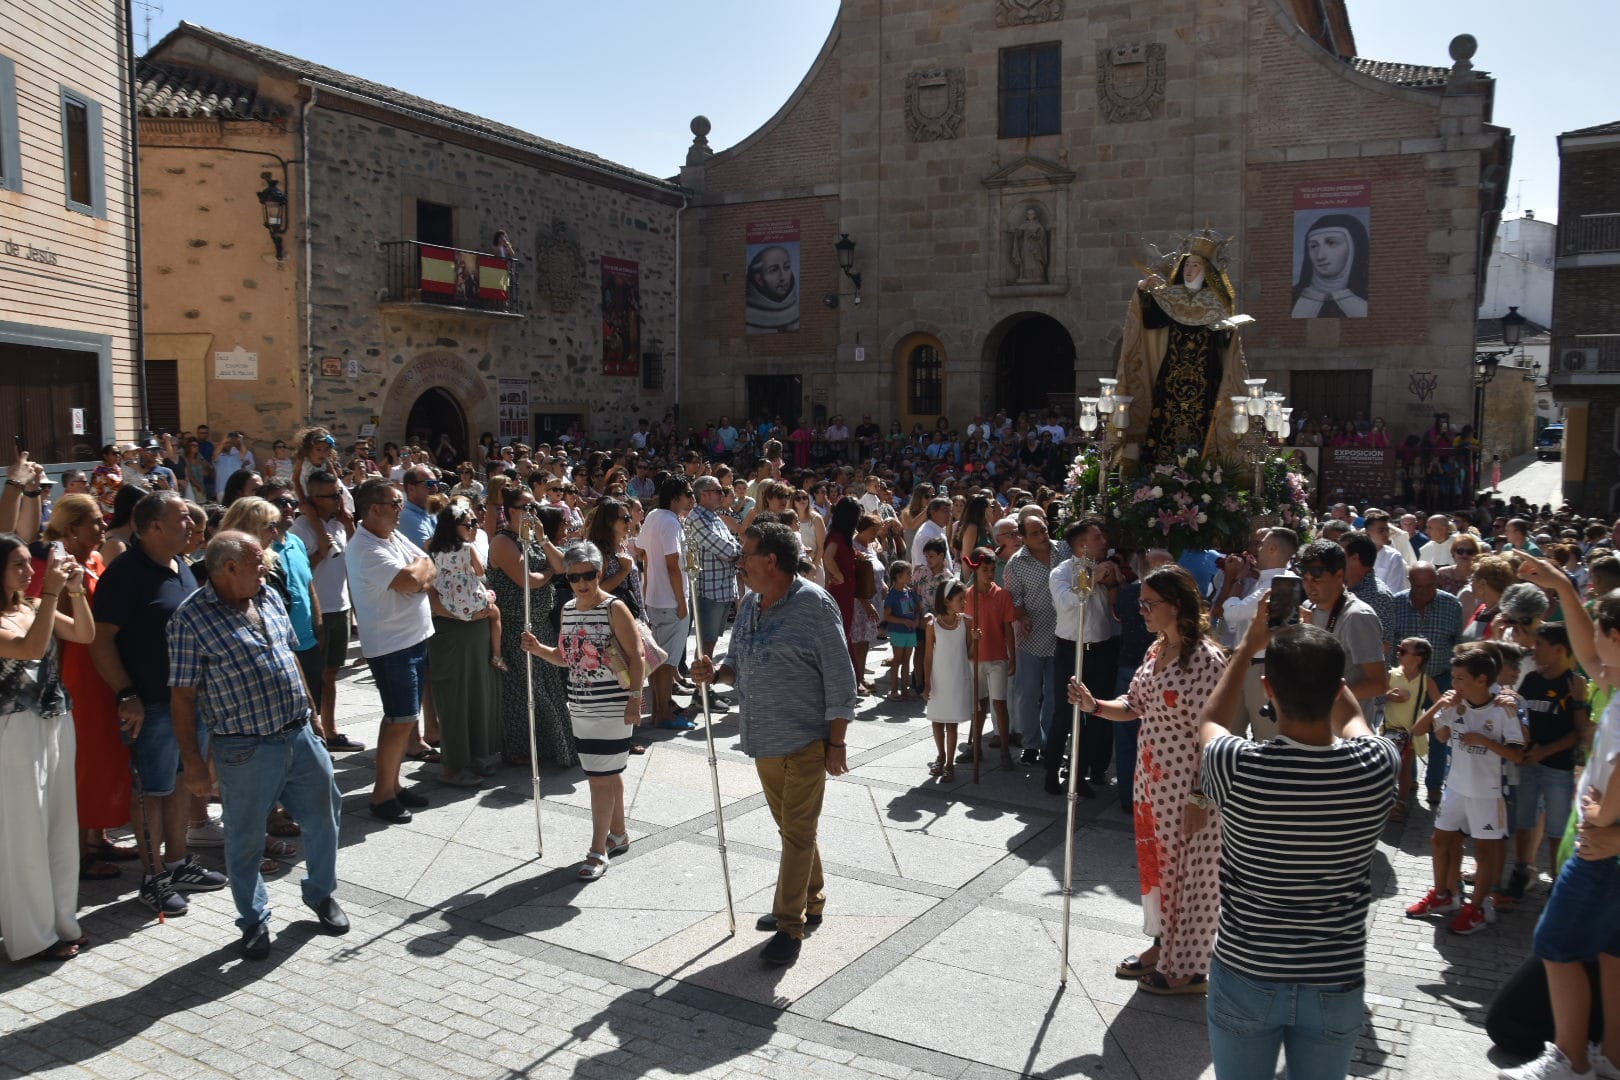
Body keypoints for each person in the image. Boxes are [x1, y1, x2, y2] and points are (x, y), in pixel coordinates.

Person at [1195, 614, 1397, 1078]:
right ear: (1336, 686)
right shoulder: (1377, 765)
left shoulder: (1235, 764)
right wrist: (1322, 653)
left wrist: (1247, 647)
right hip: (1335, 978)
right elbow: (1351, 717)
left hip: (1247, 968)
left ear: (1267, 688)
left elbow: (1209, 720)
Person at [167, 532, 349, 960]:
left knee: (326, 816)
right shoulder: (190, 619)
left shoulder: (267, 596)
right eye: (256, 561)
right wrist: (193, 764)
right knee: (245, 840)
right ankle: (253, 919)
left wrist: (314, 712)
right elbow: (182, 696)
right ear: (228, 569)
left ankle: (321, 894)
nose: (265, 568)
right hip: (244, 748)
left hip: (299, 732)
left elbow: (288, 656)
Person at [691, 521, 856, 968]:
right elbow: (734, 665)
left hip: (805, 739)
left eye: (745, 556)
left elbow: (842, 678)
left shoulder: (815, 605)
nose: (738, 563)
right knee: (792, 829)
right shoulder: (748, 604)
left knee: (798, 831)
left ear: (771, 561)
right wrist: (715, 675)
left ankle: (790, 925)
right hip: (762, 737)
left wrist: (836, 742)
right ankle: (812, 897)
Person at [1068, 565, 1225, 994]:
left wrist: (1202, 795)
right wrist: (1094, 705)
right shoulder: (1156, 651)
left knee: (1188, 877)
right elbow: (1134, 704)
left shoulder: (1206, 660)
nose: (1141, 611)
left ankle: (1187, 968)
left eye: (1149, 604)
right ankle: (1163, 945)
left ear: (1176, 607)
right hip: (1151, 780)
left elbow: (1217, 732)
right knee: (1158, 872)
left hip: (1188, 787)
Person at [1498, 557, 1620, 1080]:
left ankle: (1569, 1059)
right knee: (1613, 953)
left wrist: (1606, 822)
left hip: (1603, 847)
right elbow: (1591, 656)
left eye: (1600, 634)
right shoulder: (1615, 683)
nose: (1590, 650)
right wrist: (1563, 588)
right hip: (1606, 845)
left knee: (1555, 943)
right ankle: (1611, 1056)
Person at [90, 490, 225, 917]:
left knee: (185, 781)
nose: (192, 524)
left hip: (190, 700)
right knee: (151, 791)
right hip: (152, 704)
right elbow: (101, 639)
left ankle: (179, 862)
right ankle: (154, 879)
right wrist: (126, 694)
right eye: (183, 518)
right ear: (152, 527)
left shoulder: (181, 566)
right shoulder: (125, 573)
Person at [521, 541, 643, 880]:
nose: (581, 583)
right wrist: (540, 649)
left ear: (599, 573)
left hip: (612, 704)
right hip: (580, 703)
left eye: (588, 575)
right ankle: (617, 833)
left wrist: (635, 700)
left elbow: (636, 656)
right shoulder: (569, 609)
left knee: (598, 779)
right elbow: (568, 658)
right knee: (608, 772)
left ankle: (597, 849)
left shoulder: (614, 608)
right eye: (574, 577)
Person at [0, 534, 96, 961]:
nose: (28, 571)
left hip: (57, 721)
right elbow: (30, 648)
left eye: (28, 563)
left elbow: (85, 634)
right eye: (18, 565)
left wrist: (74, 591)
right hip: (14, 731)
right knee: (25, 832)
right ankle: (31, 936)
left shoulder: (36, 606)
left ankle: (61, 921)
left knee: (59, 825)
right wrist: (54, 590)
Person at [42, 495, 134, 881]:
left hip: (102, 673)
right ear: (71, 528)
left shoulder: (95, 561)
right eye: (94, 522)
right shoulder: (59, 569)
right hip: (78, 674)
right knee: (85, 761)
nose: (102, 527)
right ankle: (80, 852)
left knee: (105, 757)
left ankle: (98, 837)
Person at [1407, 644, 1526, 935]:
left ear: (1482, 680)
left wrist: (1484, 741)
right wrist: (1439, 706)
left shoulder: (1503, 710)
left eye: (1460, 678)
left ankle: (1477, 909)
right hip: (1456, 788)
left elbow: (1517, 755)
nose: (1454, 683)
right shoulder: (1455, 705)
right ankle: (1443, 896)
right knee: (1439, 841)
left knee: (1484, 853)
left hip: (1487, 793)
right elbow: (1421, 731)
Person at [1114, 229, 1253, 465]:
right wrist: (1142, 288)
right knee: (1164, 418)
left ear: (1207, 270)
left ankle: (1205, 468)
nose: (1189, 270)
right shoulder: (1169, 296)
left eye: (1195, 265)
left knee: (1203, 421)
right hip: (1171, 374)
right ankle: (1159, 467)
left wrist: (1228, 332)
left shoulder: (1216, 302)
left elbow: (1223, 345)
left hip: (1205, 375)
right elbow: (1149, 319)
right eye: (1186, 265)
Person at [345, 479, 435, 824]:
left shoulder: (390, 535)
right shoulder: (366, 547)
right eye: (395, 504)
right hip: (392, 645)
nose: (401, 510)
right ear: (374, 509)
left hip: (411, 639)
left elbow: (427, 561)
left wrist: (418, 576)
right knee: (399, 720)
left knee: (405, 718)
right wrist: (418, 579)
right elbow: (413, 580)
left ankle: (394, 785)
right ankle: (382, 795)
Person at [487, 487, 573, 766]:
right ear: (511, 511)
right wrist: (547, 573)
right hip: (516, 625)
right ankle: (521, 748)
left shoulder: (535, 539)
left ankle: (553, 745)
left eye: (535, 507)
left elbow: (562, 567)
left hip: (541, 622)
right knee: (525, 688)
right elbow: (528, 578)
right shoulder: (503, 541)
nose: (533, 513)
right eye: (527, 507)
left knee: (548, 686)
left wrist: (544, 539)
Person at [1507, 623, 1589, 897]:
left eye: (1540, 645)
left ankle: (1558, 881)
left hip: (1558, 768)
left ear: (1558, 650)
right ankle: (1521, 870)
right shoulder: (1531, 680)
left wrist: (1544, 752)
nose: (1535, 650)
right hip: (1528, 764)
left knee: (1557, 827)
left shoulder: (1574, 684)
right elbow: (1522, 718)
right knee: (1524, 820)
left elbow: (1578, 733)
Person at [424, 502, 502, 787]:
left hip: (474, 626)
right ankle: (454, 764)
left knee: (480, 690)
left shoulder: (438, 547)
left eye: (474, 523)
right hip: (451, 629)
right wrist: (463, 610)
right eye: (468, 524)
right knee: (455, 696)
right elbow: (430, 592)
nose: (473, 528)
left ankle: (480, 753)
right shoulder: (432, 551)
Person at [287, 470, 363, 752]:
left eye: (340, 494)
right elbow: (299, 571)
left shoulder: (339, 525)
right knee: (312, 676)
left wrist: (349, 523)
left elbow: (356, 556)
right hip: (318, 611)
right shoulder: (301, 529)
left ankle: (331, 732)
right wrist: (319, 550)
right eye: (333, 496)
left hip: (341, 607)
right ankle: (312, 732)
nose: (339, 500)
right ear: (315, 499)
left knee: (331, 673)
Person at [1048, 519, 1121, 797]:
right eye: (1098, 537)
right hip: (1071, 649)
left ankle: (1080, 776)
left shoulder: (1106, 567)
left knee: (1095, 713)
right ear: (1082, 545)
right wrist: (1093, 579)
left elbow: (1114, 608)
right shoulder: (1061, 572)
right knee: (1064, 715)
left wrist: (1112, 582)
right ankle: (1051, 772)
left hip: (1101, 650)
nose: (1104, 542)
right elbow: (1067, 604)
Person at [1214, 528, 1299, 740]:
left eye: (1259, 545)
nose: (1255, 550)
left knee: (1266, 734)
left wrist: (1238, 580)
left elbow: (1233, 614)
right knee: (1230, 732)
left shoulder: (1281, 582)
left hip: (1263, 666)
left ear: (1271, 549)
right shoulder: (1265, 580)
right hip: (1247, 663)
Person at [1296, 539, 1388, 705]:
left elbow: (1378, 684)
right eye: (1305, 579)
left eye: (1317, 580)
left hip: (1345, 726)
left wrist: (1324, 698)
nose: (1309, 587)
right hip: (1310, 721)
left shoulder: (1357, 616)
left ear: (1339, 575)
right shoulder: (1307, 607)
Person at [637, 476, 694, 730]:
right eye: (688, 494)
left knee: (660, 660)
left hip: (655, 599)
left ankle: (661, 710)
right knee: (667, 662)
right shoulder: (670, 521)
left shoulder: (652, 516)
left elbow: (643, 552)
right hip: (670, 601)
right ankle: (663, 713)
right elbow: (672, 564)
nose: (692, 498)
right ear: (676, 497)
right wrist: (682, 602)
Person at [1005, 514, 1060, 766]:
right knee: (1027, 694)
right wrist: (1022, 616)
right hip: (1032, 638)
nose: (1042, 536)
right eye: (1035, 533)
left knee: (1054, 695)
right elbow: (1014, 600)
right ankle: (1030, 743)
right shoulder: (1016, 564)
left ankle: (1051, 743)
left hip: (1062, 635)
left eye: (1044, 530)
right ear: (1024, 538)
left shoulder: (1064, 551)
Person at [961, 547, 1017, 767]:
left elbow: (1008, 628)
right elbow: (964, 629)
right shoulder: (967, 596)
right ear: (976, 569)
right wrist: (965, 653)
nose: (990, 574)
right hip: (975, 659)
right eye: (985, 569)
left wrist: (1012, 656)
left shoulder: (1002, 595)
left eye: (993, 569)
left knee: (999, 704)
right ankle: (975, 747)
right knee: (978, 705)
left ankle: (1005, 750)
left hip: (997, 658)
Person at [1385, 636, 1441, 821]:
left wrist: (1433, 720)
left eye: (1403, 651)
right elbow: (1378, 694)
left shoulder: (1425, 681)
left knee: (1406, 768)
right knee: (1388, 769)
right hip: (1389, 729)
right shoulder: (1391, 675)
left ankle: (1400, 802)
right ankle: (1388, 801)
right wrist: (1388, 695)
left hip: (1409, 732)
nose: (1398, 653)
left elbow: (1440, 703)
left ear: (1418, 659)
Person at [688, 475, 742, 662]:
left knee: (711, 641)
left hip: (724, 588)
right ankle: (700, 688)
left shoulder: (715, 516)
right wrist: (734, 553)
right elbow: (725, 549)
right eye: (719, 491)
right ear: (704, 494)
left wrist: (734, 552)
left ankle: (704, 684)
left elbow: (734, 545)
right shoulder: (696, 517)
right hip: (710, 591)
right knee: (706, 642)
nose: (723, 494)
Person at [924, 579, 973, 781]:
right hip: (939, 677)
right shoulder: (932, 625)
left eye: (965, 599)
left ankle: (950, 763)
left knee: (952, 723)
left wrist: (976, 640)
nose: (964, 603)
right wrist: (926, 683)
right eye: (960, 599)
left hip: (956, 677)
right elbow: (928, 656)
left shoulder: (967, 622)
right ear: (947, 601)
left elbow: (970, 653)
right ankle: (941, 755)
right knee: (937, 720)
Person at [1290, 212, 1370, 318]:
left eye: (1331, 243)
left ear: (1354, 248)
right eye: (1313, 246)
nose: (1320, 256)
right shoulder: (1294, 298)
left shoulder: (1369, 297)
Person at [882, 560, 919, 700]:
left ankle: (904, 689)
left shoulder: (909, 592)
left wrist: (915, 621)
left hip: (910, 632)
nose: (910, 576)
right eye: (908, 573)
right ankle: (893, 690)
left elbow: (915, 610)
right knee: (897, 660)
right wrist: (903, 621)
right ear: (898, 576)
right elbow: (887, 616)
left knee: (906, 660)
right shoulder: (892, 594)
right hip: (898, 632)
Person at [744, 243, 799, 334]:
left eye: (786, 267)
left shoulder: (797, 313)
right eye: (773, 270)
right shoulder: (749, 321)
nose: (783, 277)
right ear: (759, 279)